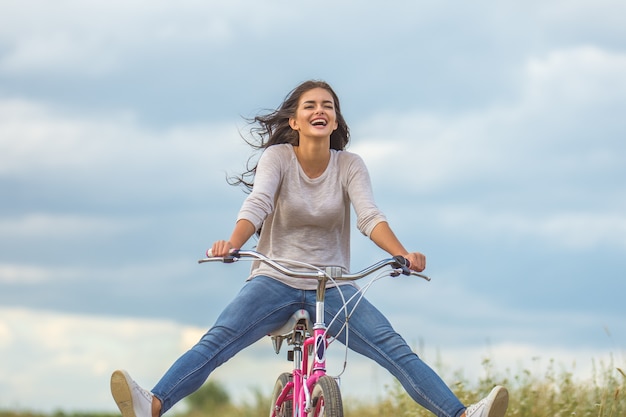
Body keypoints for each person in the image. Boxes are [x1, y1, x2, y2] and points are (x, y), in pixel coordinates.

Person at [110, 80, 509, 417]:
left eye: (328, 106)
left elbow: (369, 217)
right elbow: (258, 204)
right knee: (218, 340)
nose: (321, 111)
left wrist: (401, 253)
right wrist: (233, 244)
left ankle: (460, 414)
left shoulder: (350, 165)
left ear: (334, 120)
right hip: (274, 279)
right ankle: (155, 403)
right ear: (294, 120)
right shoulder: (278, 158)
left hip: (333, 284)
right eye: (311, 106)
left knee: (394, 349)